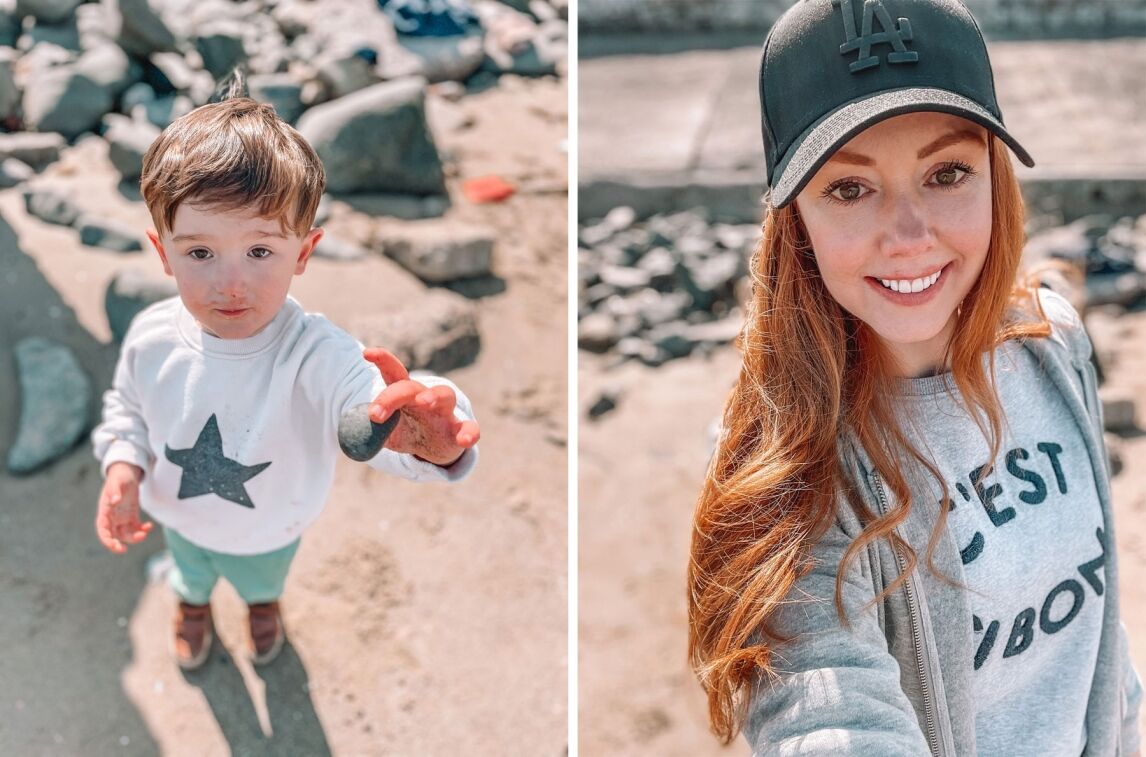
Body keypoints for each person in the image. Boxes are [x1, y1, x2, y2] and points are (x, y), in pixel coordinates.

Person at [687, 0, 1141, 754]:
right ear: (794, 218)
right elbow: (826, 714)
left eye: (947, 172)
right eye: (850, 188)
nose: (908, 237)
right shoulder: (787, 465)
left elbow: (1099, 641)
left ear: (996, 176)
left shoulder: (1051, 347)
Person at [90, 82, 480, 671]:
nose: (231, 282)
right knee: (190, 575)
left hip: (271, 526)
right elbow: (125, 407)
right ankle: (192, 608)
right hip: (178, 513)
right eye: (200, 253)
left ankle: (262, 608)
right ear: (163, 252)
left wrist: (431, 443)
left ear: (304, 251)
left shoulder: (317, 353)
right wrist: (123, 463)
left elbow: (371, 408)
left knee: (261, 582)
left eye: (260, 252)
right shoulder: (150, 335)